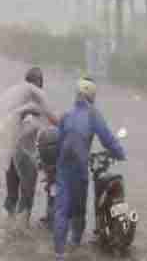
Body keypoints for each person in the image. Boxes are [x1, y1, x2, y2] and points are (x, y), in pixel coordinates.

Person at [53, 76, 126, 261]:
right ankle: (76, 246)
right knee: (78, 211)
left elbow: (59, 144)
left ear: (76, 94)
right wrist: (120, 154)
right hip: (79, 170)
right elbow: (107, 139)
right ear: (92, 96)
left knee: (61, 211)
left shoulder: (66, 115)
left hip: (62, 168)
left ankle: (59, 254)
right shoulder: (93, 114)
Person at [2, 66, 58, 228]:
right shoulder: (37, 103)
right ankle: (20, 230)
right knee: (26, 195)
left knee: (12, 194)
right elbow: (51, 122)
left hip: (11, 153)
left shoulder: (16, 102)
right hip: (26, 156)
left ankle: (8, 226)